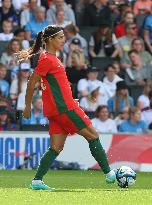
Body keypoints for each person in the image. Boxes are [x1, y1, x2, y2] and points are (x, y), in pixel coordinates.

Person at [16, 25, 116, 190]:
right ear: (50, 39)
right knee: (93, 136)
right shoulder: (47, 59)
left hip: (58, 109)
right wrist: (27, 107)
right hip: (65, 109)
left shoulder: (51, 58)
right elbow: (32, 82)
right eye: (60, 37)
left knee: (56, 147)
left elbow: (53, 86)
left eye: (64, 37)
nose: (64, 40)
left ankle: (37, 181)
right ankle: (109, 174)